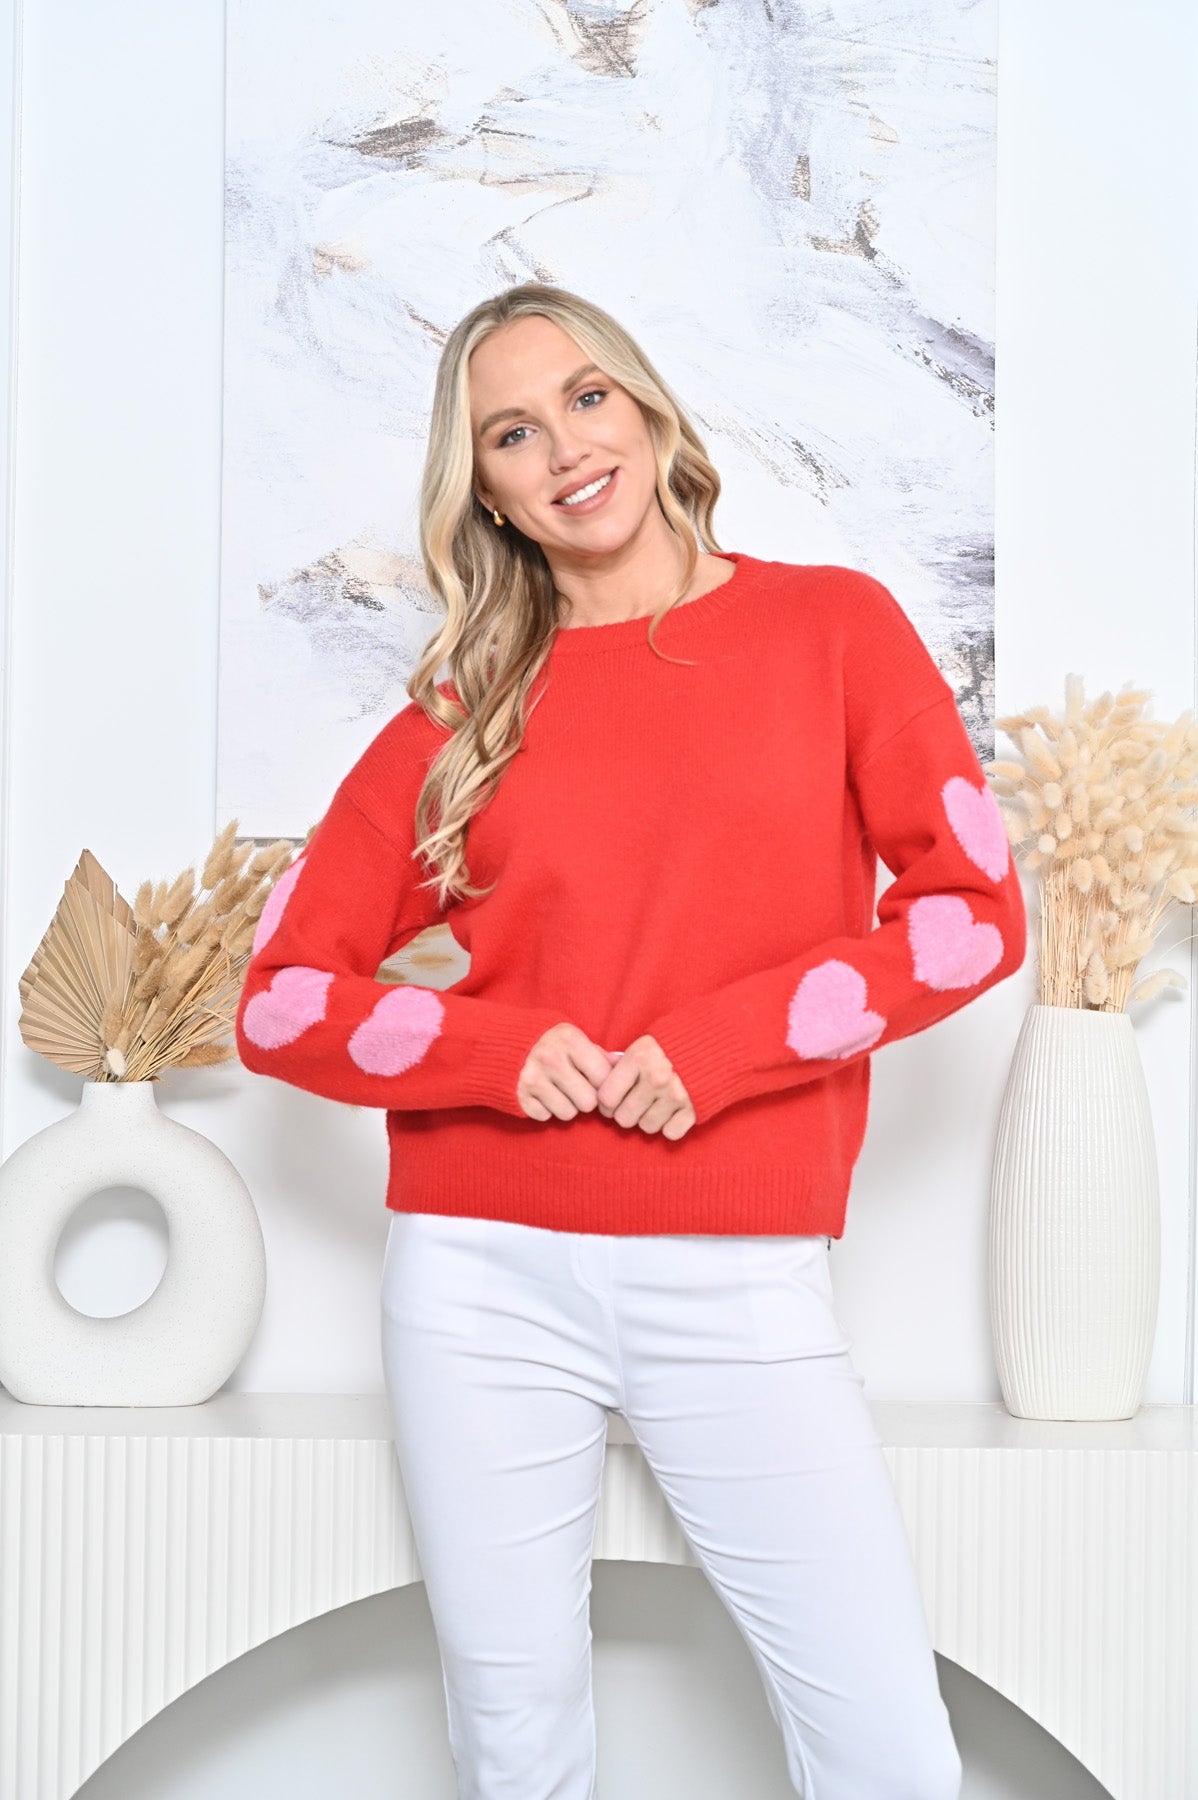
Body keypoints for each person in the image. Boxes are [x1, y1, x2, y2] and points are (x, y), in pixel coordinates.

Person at [236, 281, 1025, 1799]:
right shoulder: (464, 710)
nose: (564, 449)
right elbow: (279, 999)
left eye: (586, 398)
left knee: (884, 1748)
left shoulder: (831, 628)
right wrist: (490, 1051)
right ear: (486, 492)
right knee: (515, 1738)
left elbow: (970, 914)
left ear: (649, 410)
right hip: (478, 1279)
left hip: (733, 1273)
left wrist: (726, 1044)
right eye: (511, 433)